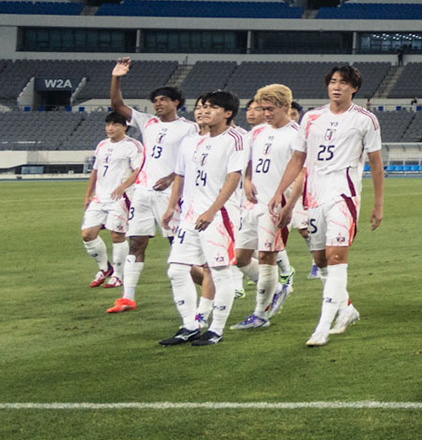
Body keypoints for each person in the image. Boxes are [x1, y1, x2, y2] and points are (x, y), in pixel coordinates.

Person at [271, 65, 386, 348]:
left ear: (354, 88)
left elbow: (375, 162)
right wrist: (280, 195)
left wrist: (378, 203)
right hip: (314, 197)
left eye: (343, 83)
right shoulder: (311, 118)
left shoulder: (365, 120)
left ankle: (322, 326)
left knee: (335, 258)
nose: (337, 87)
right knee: (320, 260)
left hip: (343, 196)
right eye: (333, 82)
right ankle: (346, 309)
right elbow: (298, 159)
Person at [105, 59, 199, 315]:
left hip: (170, 195)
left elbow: (194, 159)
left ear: (175, 103)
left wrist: (170, 177)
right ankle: (128, 297)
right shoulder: (147, 123)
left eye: (162, 100)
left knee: (177, 248)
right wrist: (117, 78)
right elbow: (117, 105)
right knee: (136, 243)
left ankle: (219, 281)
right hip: (143, 193)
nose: (157, 103)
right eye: (155, 100)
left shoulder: (189, 128)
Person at [157, 91, 248, 347]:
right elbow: (182, 176)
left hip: (220, 215)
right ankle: (190, 325)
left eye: (212, 107)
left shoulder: (237, 138)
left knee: (219, 272)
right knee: (176, 269)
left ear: (228, 113)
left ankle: (216, 328)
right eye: (203, 106)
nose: (205, 111)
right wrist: (172, 208)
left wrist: (212, 210)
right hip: (189, 216)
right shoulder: (193, 141)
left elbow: (234, 177)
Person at [231, 86, 303, 330]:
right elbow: (248, 162)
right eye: (263, 108)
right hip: (252, 203)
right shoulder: (257, 132)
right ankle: (277, 288)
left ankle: (260, 315)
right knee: (240, 258)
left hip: (277, 204)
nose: (266, 113)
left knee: (266, 257)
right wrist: (247, 180)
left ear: (286, 107)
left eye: (270, 109)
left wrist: (290, 206)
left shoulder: (296, 134)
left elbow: (302, 174)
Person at [80, 111, 140, 289]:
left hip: (120, 198)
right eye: (108, 125)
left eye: (115, 125)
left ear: (124, 127)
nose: (110, 128)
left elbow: (139, 169)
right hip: (100, 197)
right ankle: (105, 268)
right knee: (87, 234)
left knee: (117, 235)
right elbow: (95, 171)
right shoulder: (101, 145)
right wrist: (87, 194)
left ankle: (119, 275)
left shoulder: (132, 146)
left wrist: (124, 186)